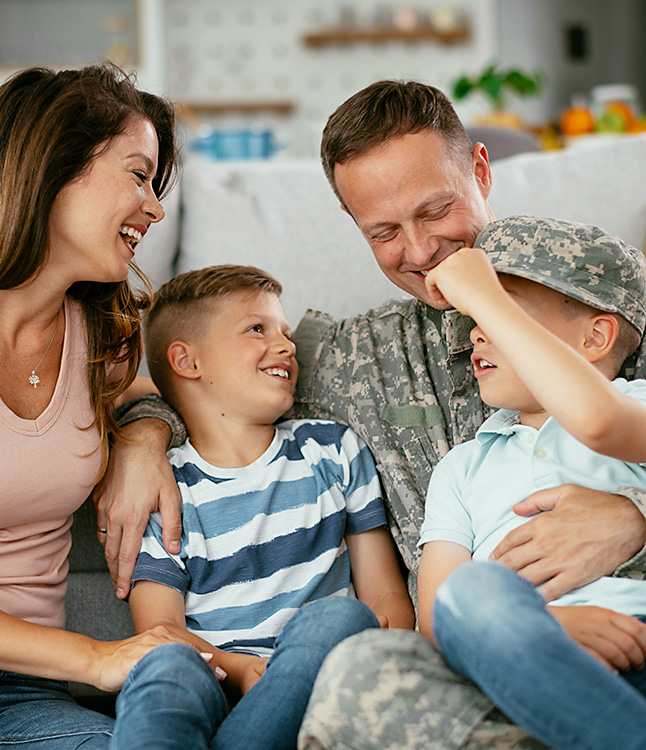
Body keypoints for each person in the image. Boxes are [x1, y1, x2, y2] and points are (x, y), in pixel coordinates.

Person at [112, 80, 646, 749]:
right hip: (461, 675)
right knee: (358, 666)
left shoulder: (586, 293)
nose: (420, 252)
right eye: (385, 232)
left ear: (480, 171)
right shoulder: (347, 357)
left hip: (627, 635)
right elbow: (199, 377)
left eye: (437, 210)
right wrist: (141, 438)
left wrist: (638, 518)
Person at [0, 63, 195, 749]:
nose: (154, 208)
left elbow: (151, 398)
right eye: (139, 175)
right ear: (53, 166)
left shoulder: (104, 336)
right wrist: (98, 657)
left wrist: (143, 439)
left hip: (21, 698)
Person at [109, 264, 414, 750]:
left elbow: (385, 600)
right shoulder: (165, 489)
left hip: (326, 675)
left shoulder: (332, 451)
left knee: (340, 619)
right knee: (164, 666)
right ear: (187, 362)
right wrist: (244, 671)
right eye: (258, 329)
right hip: (217, 680)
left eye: (286, 332)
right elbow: (161, 630)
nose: (287, 345)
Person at [417, 215, 646, 750]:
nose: (476, 327)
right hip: (523, 662)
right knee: (470, 589)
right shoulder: (462, 467)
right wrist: (551, 628)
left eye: (503, 309)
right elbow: (438, 616)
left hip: (637, 631)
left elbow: (597, 418)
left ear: (595, 337)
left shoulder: (633, 405)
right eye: (473, 315)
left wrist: (481, 291)